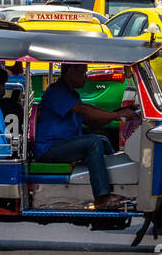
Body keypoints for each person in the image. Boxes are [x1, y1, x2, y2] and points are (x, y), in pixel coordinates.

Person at [33, 62, 139, 209]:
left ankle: (113, 187)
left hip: (63, 144)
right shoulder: (57, 91)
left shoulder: (71, 94)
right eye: (83, 73)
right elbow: (83, 110)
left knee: (102, 140)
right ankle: (102, 196)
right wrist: (116, 114)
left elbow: (92, 121)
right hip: (49, 149)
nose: (86, 78)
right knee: (93, 142)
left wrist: (120, 111)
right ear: (70, 72)